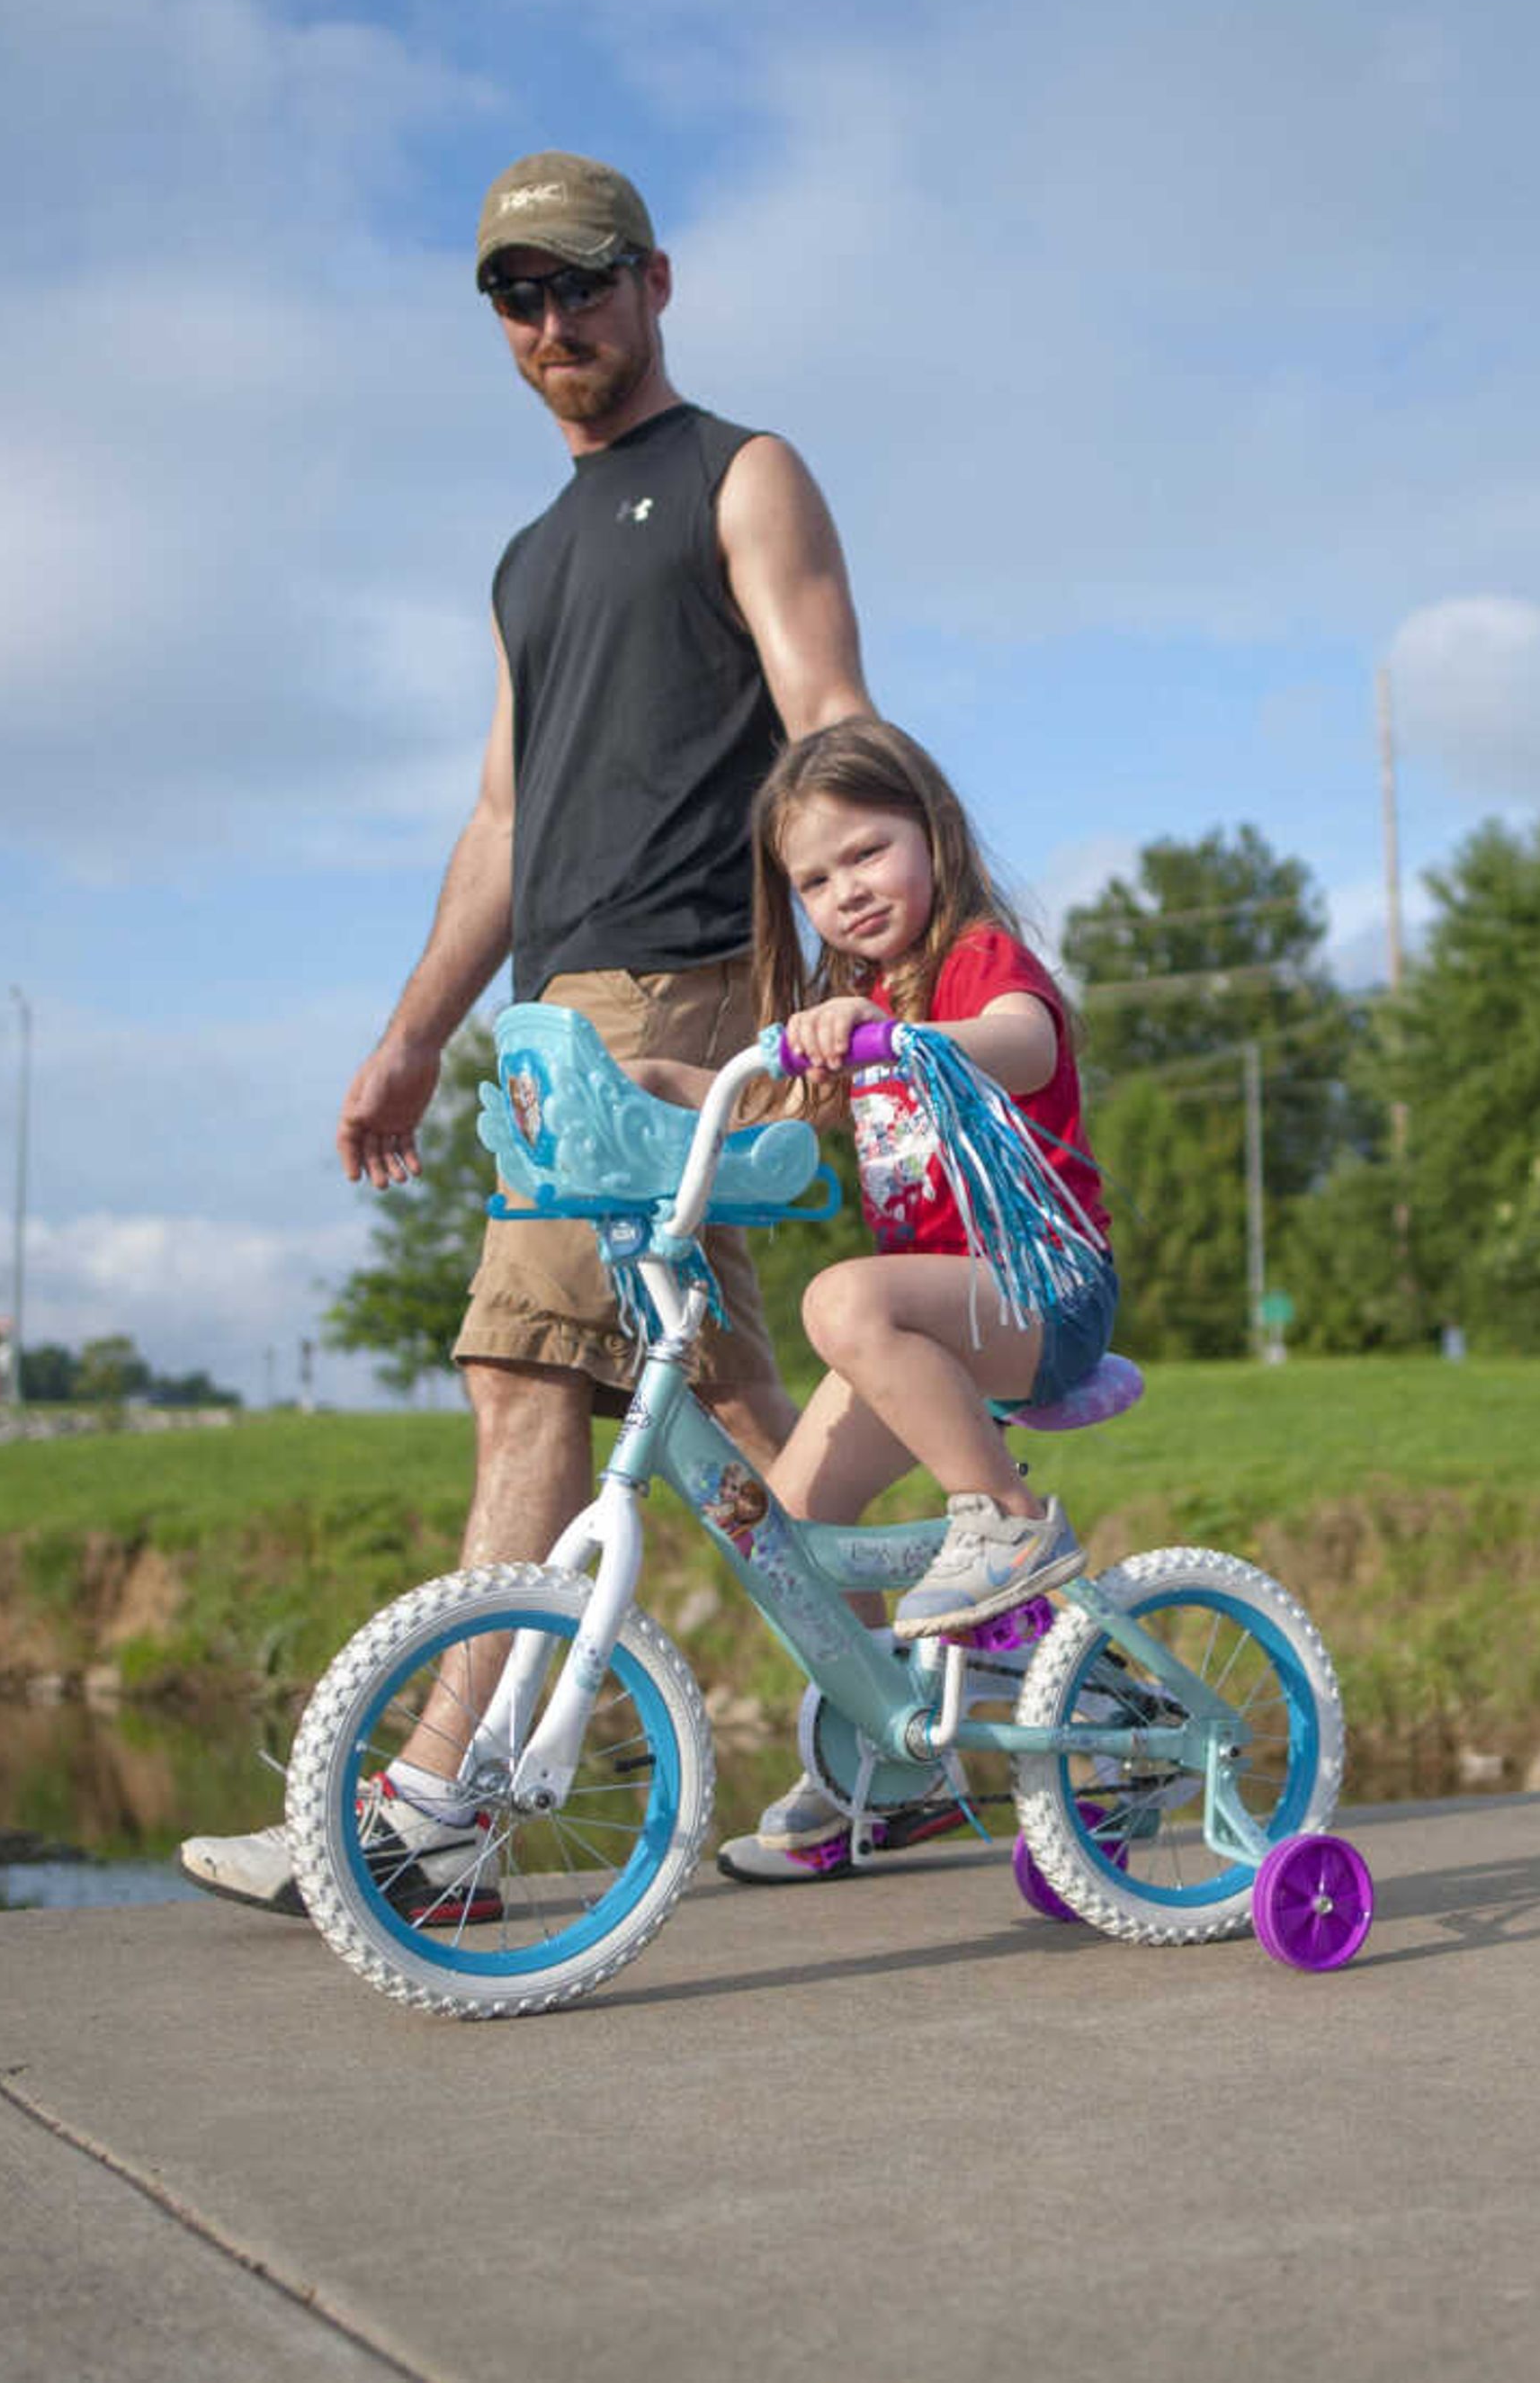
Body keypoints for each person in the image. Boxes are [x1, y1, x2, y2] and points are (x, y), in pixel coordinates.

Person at [179, 148, 912, 1913]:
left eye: (582, 281)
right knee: (736, 1412)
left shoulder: (744, 474)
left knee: (526, 1371)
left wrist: (875, 980)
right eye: (518, 294)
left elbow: (828, 716)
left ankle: (437, 1810)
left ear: (657, 281)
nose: (553, 319)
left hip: (679, 986)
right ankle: (928, 1721)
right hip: (552, 1022)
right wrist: (413, 1034)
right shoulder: (527, 560)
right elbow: (504, 824)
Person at [691, 717, 1121, 1882]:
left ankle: (1008, 1526)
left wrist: (907, 1037)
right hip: (945, 1320)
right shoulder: (861, 1000)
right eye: (815, 879)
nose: (846, 891)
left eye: (867, 853)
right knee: (785, 1532)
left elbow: (1026, 1045)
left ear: (931, 831)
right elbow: (767, 1106)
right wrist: (663, 1086)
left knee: (839, 1300)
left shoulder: (975, 961)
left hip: (1047, 1288)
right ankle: (893, 1764)